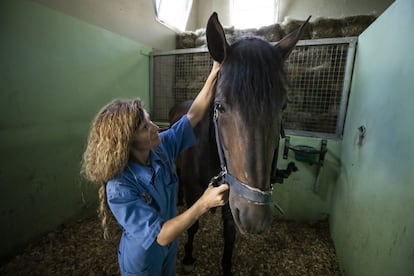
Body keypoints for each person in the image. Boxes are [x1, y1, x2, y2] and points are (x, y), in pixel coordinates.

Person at [81, 61, 228, 276]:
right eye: (145, 128)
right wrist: (203, 203)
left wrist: (215, 71)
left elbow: (193, 115)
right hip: (144, 259)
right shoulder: (120, 188)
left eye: (150, 122)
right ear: (126, 142)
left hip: (170, 248)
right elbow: (160, 234)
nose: (155, 128)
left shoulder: (160, 148)